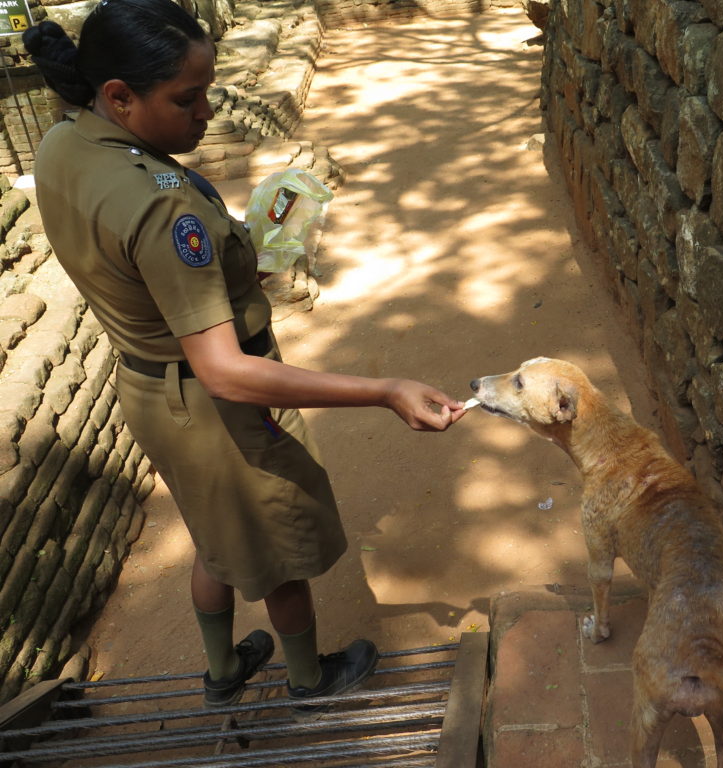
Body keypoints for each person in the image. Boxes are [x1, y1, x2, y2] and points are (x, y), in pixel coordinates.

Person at [23, 0, 467, 717]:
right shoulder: (166, 210)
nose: (204, 113)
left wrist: (225, 273)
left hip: (149, 383)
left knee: (213, 533)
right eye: (186, 99)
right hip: (214, 404)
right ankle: (308, 680)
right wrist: (385, 388)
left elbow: (132, 269)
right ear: (119, 96)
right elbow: (226, 368)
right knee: (276, 543)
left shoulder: (66, 146)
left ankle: (223, 665)